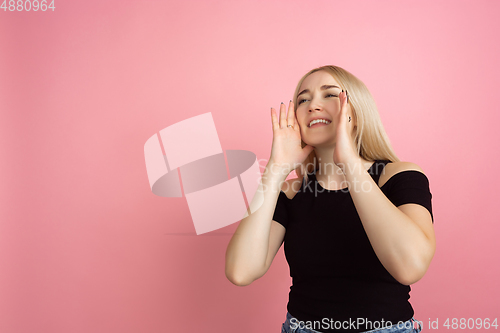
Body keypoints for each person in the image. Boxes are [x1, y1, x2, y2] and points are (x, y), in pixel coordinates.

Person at [225, 65, 434, 333]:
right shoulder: (291, 192)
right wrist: (276, 169)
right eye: (303, 99)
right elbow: (240, 271)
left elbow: (410, 266)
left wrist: (348, 161)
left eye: (329, 95)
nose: (313, 105)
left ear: (356, 113)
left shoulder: (399, 176)